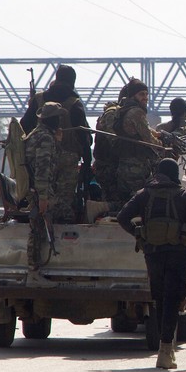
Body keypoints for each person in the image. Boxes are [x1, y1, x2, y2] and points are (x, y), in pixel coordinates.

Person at [116, 158, 186, 369]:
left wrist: (139, 234)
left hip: (153, 254)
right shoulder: (185, 196)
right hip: (179, 255)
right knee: (172, 301)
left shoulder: (144, 194)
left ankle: (163, 346)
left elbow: (122, 217)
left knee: (159, 300)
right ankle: (166, 350)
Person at [20, 65, 92, 223]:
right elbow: (84, 136)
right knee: (64, 200)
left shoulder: (38, 99)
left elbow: (24, 125)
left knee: (40, 197)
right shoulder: (74, 103)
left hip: (38, 157)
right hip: (68, 159)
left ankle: (42, 222)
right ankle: (60, 223)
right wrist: (87, 162)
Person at [23, 102, 67, 286]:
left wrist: (57, 141)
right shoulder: (45, 138)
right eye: (57, 117)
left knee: (38, 229)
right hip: (40, 191)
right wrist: (43, 197)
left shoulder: (37, 134)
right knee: (37, 231)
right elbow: (42, 168)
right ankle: (33, 273)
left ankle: (35, 272)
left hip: (35, 189)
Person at [113, 78, 163, 201]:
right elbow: (148, 138)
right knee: (137, 200)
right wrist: (162, 146)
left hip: (125, 162)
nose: (145, 98)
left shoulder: (124, 109)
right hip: (136, 164)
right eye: (141, 94)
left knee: (125, 200)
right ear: (133, 96)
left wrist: (158, 134)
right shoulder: (136, 112)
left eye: (146, 94)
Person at [93, 84, 128, 203]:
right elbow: (113, 140)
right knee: (112, 200)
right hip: (108, 166)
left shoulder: (118, 113)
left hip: (111, 165)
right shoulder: (112, 113)